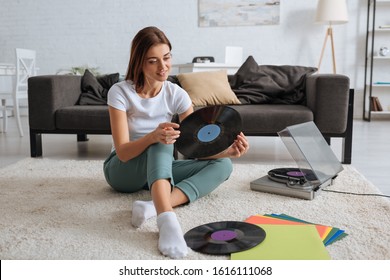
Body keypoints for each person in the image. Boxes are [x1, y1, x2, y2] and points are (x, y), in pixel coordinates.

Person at [103, 26, 249, 259]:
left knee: (223, 166)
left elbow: (194, 149)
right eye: (153, 61)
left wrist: (226, 152)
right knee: (163, 140)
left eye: (167, 57)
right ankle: (167, 220)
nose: (163, 67)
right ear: (139, 62)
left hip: (159, 173)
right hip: (123, 171)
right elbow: (122, 152)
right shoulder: (120, 92)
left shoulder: (177, 94)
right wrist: (152, 137)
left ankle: (153, 205)